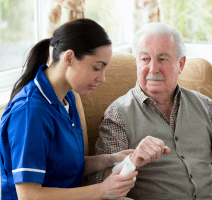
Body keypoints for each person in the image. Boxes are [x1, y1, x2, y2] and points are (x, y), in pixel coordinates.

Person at [91, 22, 212, 200]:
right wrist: (132, 161)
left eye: (162, 59)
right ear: (137, 63)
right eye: (145, 59)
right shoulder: (118, 114)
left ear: (181, 64)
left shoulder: (203, 105)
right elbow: (102, 183)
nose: (153, 68)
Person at [0, 18, 145, 200]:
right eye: (96, 68)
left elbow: (64, 166)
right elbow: (29, 196)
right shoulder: (31, 113)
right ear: (69, 58)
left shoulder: (66, 97)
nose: (102, 78)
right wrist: (102, 190)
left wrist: (110, 159)